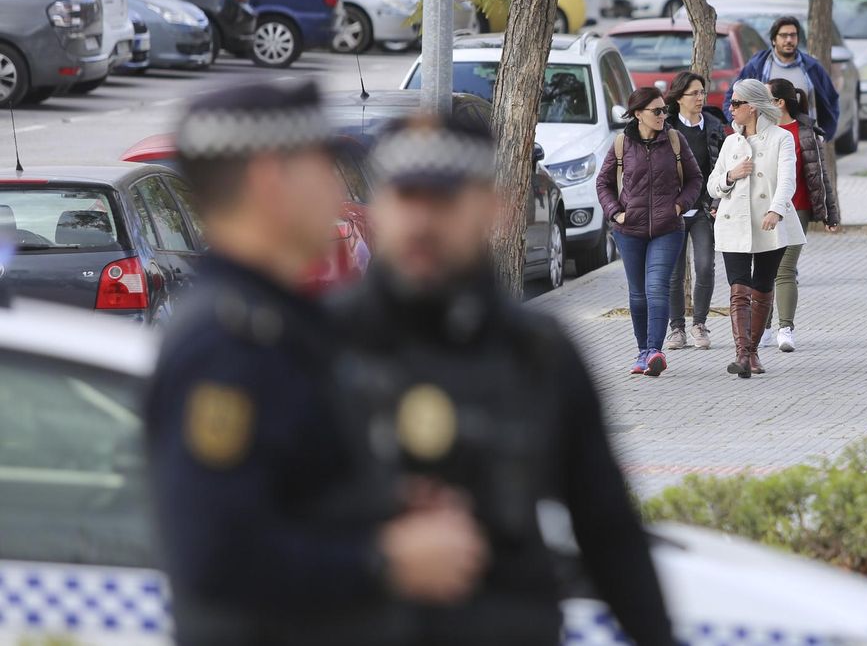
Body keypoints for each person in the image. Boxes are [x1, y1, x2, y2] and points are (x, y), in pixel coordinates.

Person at [145, 81, 487, 645]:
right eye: (324, 169)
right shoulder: (225, 345)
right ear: (271, 181)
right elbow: (216, 551)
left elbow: (294, 497)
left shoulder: (280, 322)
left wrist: (385, 503)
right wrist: (387, 561)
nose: (338, 193)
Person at [336, 114, 674, 645]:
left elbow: (609, 534)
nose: (422, 221)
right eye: (406, 196)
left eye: (443, 200)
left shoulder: (538, 354)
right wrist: (376, 560)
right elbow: (255, 539)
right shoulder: (319, 347)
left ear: (499, 208)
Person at [596, 86, 703, 376]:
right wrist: (615, 212)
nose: (662, 115)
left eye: (664, 110)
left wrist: (680, 206)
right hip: (629, 230)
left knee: (657, 287)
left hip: (668, 228)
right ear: (638, 114)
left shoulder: (674, 139)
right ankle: (642, 351)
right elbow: (603, 183)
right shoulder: (621, 144)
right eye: (656, 111)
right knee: (638, 293)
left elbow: (695, 179)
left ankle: (655, 350)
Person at [708, 78, 806, 377]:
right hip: (734, 223)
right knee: (738, 290)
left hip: (769, 223)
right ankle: (742, 355)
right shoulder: (730, 141)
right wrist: (730, 176)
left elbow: (788, 179)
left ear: (752, 107)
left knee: (762, 287)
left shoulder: (781, 138)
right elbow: (713, 185)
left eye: (736, 103)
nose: (731, 109)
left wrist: (776, 209)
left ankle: (751, 353)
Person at [761, 77, 841, 352]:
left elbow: (821, 176)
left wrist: (831, 213)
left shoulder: (805, 131)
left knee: (785, 269)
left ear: (779, 102)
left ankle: (785, 328)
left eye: (765, 97)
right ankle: (763, 328)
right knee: (763, 270)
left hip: (798, 210)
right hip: (764, 210)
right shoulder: (759, 131)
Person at [663, 71, 726, 351]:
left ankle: (699, 323)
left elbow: (723, 166)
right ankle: (676, 328)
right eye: (694, 94)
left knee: (704, 266)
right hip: (674, 211)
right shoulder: (666, 128)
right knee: (674, 273)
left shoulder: (713, 126)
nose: (700, 98)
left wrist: (716, 204)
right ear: (678, 98)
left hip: (703, 209)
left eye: (702, 92)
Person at [724, 15, 841, 141]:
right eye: (784, 35)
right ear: (774, 39)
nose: (789, 39)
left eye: (793, 35)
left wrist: (825, 135)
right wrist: (739, 125)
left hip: (804, 140)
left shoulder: (812, 67)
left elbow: (831, 100)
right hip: (765, 139)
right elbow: (733, 96)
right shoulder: (758, 66)